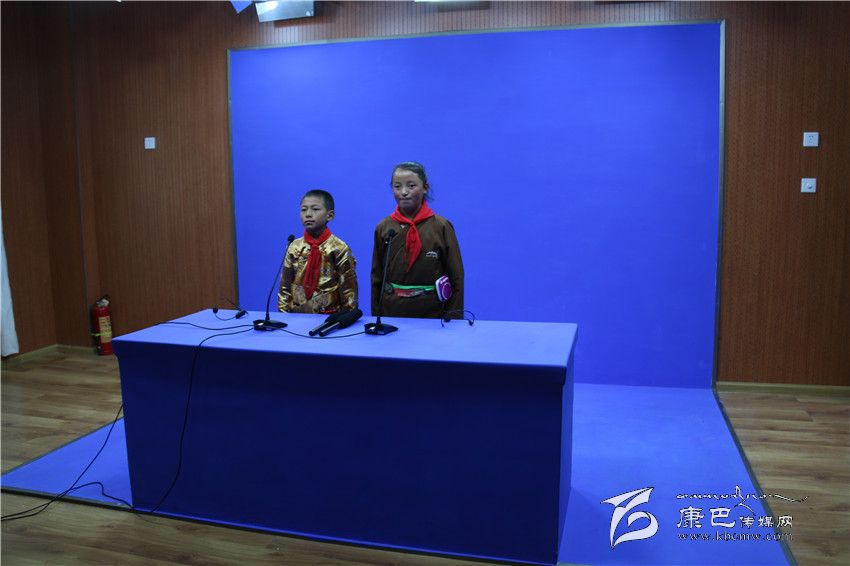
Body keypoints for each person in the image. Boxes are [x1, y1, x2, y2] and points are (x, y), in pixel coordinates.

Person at [371, 162, 464, 319]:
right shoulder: (384, 227)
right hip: (392, 311)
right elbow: (376, 276)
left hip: (432, 313)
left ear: (425, 187)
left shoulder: (441, 226)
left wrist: (453, 319)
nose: (404, 192)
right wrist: (376, 317)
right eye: (397, 186)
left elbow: (456, 276)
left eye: (411, 186)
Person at [278, 190, 358, 314]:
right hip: (297, 317)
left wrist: (346, 318)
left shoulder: (339, 249)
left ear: (330, 216)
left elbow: (349, 291)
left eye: (315, 209)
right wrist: (284, 316)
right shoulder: (294, 247)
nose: (308, 214)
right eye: (303, 210)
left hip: (329, 317)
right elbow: (285, 288)